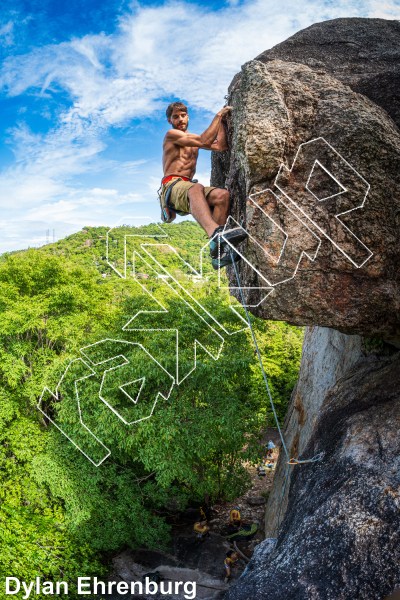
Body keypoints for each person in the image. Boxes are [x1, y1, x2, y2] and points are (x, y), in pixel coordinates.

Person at [160, 101, 248, 269]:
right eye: (175, 117)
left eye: (183, 116)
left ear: (188, 116)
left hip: (187, 190)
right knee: (196, 187)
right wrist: (219, 116)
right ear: (169, 120)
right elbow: (204, 139)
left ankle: (218, 255)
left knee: (222, 196)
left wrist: (223, 123)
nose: (180, 119)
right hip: (172, 187)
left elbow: (221, 146)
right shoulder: (171, 135)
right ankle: (216, 234)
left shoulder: (193, 141)